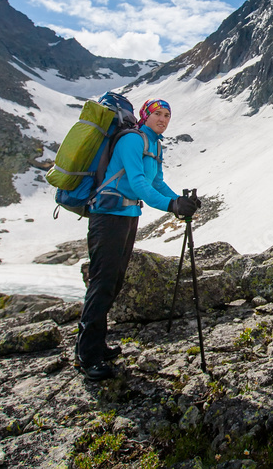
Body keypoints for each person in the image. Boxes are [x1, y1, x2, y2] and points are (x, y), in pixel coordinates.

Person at [75, 98, 199, 381]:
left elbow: (156, 183)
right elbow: (139, 182)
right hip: (107, 216)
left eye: (167, 115)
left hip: (128, 214)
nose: (163, 119)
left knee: (115, 280)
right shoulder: (132, 140)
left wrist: (179, 201)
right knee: (102, 281)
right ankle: (87, 356)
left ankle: (95, 344)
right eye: (158, 113)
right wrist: (171, 207)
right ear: (145, 115)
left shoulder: (155, 145)